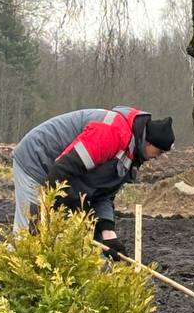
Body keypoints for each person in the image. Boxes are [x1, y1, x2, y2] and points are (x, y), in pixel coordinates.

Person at [11, 108, 174, 252]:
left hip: (60, 171)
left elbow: (103, 194)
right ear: (148, 142)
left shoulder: (130, 156)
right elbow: (62, 170)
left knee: (76, 236)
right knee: (30, 234)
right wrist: (76, 211)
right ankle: (5, 277)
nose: (158, 157)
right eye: (159, 151)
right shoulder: (112, 133)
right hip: (37, 159)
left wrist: (108, 233)